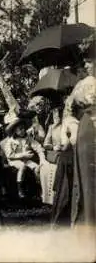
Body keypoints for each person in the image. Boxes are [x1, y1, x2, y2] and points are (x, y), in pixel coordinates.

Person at [70, 49, 96, 228]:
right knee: (89, 178)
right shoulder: (84, 84)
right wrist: (71, 126)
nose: (85, 65)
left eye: (89, 61)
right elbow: (68, 109)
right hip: (88, 131)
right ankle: (90, 221)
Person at [3, 112, 44, 198]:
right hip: (15, 160)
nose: (22, 131)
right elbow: (9, 155)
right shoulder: (10, 141)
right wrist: (23, 155)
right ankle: (20, 188)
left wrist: (41, 156)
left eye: (23, 128)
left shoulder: (28, 138)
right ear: (15, 131)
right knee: (22, 166)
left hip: (26, 159)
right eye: (19, 129)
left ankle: (40, 188)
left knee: (37, 167)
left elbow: (37, 146)